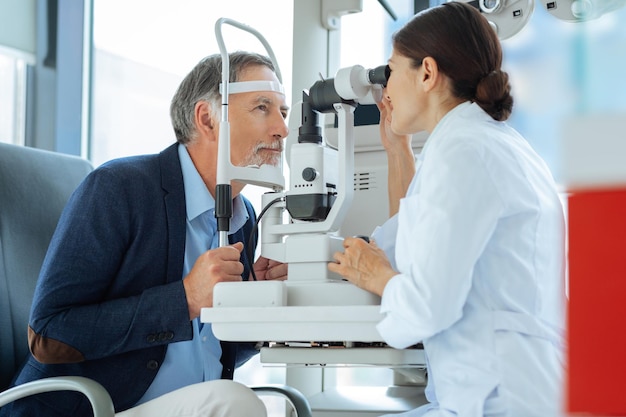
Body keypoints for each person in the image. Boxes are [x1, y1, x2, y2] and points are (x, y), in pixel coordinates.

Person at [2, 51, 289, 417]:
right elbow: (49, 335)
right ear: (208, 119)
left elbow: (211, 351)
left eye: (283, 112)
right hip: (86, 410)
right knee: (235, 403)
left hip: (182, 406)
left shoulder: (243, 216)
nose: (282, 128)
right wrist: (184, 299)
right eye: (262, 107)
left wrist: (253, 305)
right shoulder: (119, 189)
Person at [328, 3, 567, 417]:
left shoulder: (463, 152)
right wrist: (398, 150)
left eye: (391, 71)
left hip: (499, 400)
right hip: (513, 390)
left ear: (426, 73)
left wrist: (377, 275)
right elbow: (407, 245)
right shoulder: (485, 142)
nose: (385, 91)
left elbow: (425, 306)